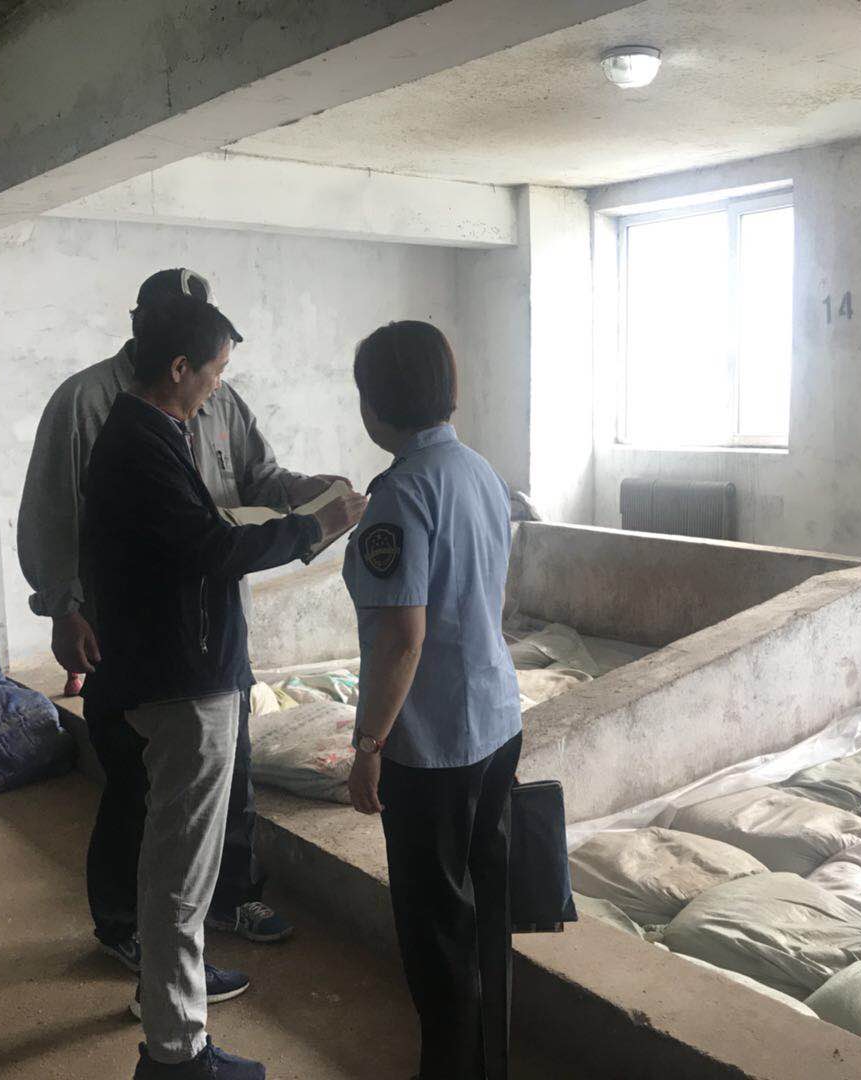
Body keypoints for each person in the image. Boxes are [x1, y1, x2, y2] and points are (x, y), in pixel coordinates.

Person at [18, 268, 346, 968]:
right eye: (206, 355)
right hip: (135, 631)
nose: (215, 375)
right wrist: (64, 609)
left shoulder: (216, 395)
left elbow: (258, 479)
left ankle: (228, 896)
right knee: (139, 786)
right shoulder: (93, 404)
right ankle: (127, 926)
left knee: (229, 769)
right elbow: (55, 515)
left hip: (212, 631)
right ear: (157, 336)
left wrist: (309, 493)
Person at [83, 293, 367, 1079]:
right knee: (181, 878)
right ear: (179, 368)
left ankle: (172, 1029)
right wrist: (315, 529)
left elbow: (202, 533)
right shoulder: (141, 441)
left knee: (172, 866)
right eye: (215, 370)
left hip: (172, 668)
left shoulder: (149, 432)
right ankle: (177, 1056)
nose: (219, 385)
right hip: (182, 682)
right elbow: (209, 549)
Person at [342, 321, 524, 1080]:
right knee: (485, 917)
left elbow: (401, 640)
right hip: (495, 720)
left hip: (434, 745)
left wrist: (368, 747)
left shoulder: (399, 495)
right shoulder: (479, 470)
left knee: (437, 932)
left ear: (378, 402)